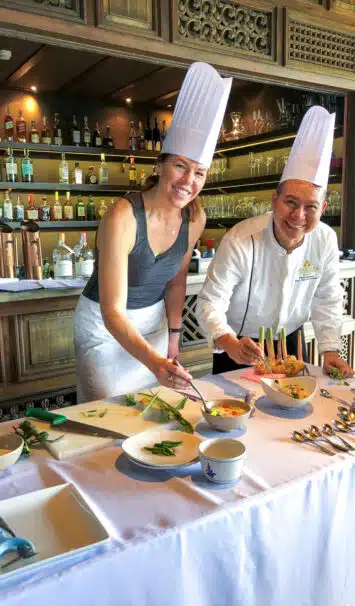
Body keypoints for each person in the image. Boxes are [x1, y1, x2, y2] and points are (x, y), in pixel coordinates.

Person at [74, 62, 232, 403]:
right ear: (159, 166)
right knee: (109, 415)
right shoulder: (123, 217)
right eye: (180, 166)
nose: (189, 181)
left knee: (154, 410)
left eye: (199, 173)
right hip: (105, 328)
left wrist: (173, 337)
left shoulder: (195, 218)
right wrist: (155, 362)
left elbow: (175, 281)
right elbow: (112, 310)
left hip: (156, 324)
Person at [196, 106, 354, 378]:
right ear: (274, 200)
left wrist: (330, 351)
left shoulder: (325, 239)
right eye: (290, 202)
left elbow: (327, 299)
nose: (298, 216)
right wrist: (228, 341)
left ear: (323, 207)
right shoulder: (240, 239)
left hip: (290, 343)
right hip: (240, 345)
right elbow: (210, 302)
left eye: (311, 207)